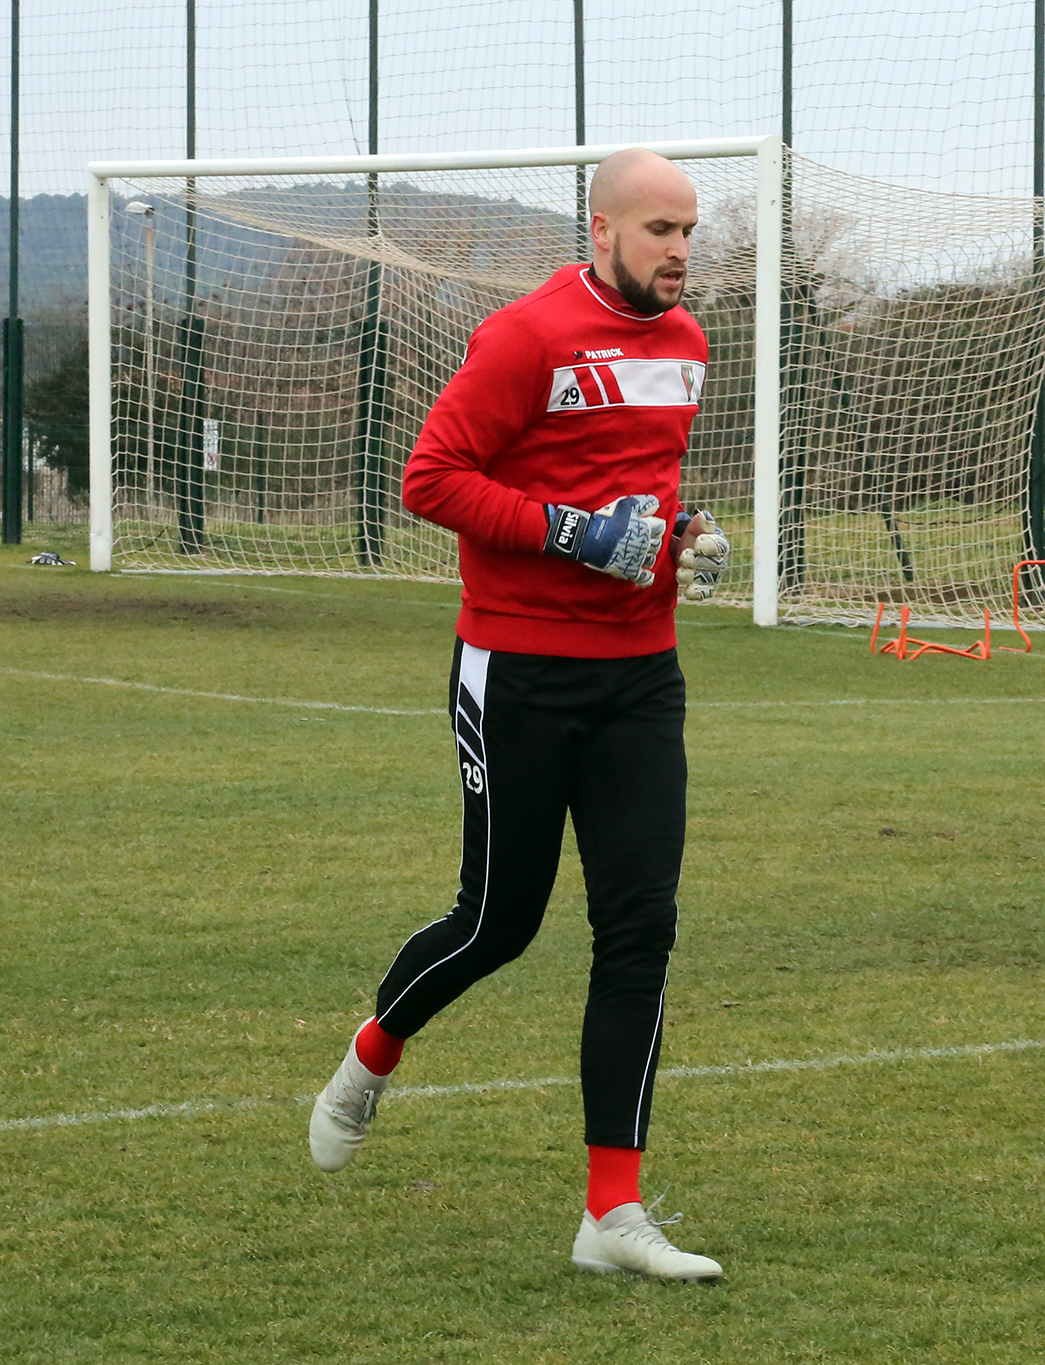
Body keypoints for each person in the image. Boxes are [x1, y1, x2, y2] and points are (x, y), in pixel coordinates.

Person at [307, 147, 731, 1282]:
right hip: (518, 670)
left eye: (688, 229)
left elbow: (638, 489)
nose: (679, 250)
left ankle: (611, 1214)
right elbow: (431, 478)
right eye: (658, 229)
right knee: (499, 921)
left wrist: (682, 535)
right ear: (601, 230)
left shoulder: (688, 346)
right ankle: (373, 1051)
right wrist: (569, 532)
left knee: (639, 932)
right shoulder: (526, 337)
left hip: (641, 675)